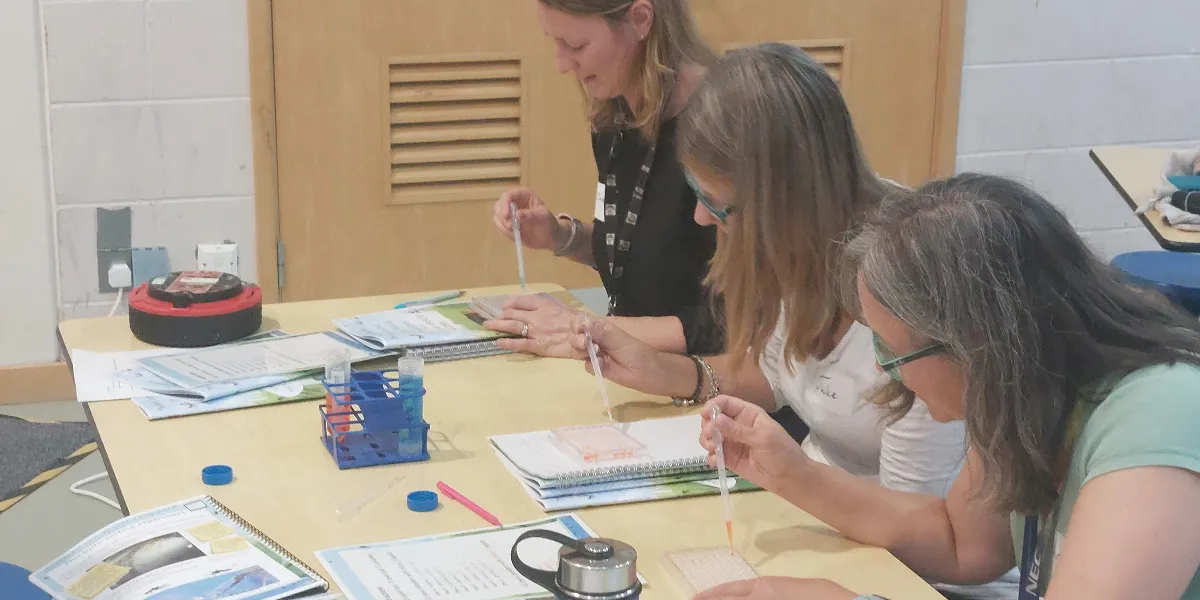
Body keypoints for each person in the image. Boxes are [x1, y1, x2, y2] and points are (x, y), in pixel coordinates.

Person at [696, 173, 1200, 600]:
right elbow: (962, 541)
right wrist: (794, 474)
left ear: (976, 343)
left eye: (891, 351)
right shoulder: (1028, 388)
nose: (885, 371)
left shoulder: (1160, 417)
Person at [487, 0, 724, 357]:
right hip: (631, 365)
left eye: (576, 45)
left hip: (701, 375)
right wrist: (561, 236)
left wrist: (581, 328)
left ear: (640, 19)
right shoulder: (615, 119)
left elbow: (728, 325)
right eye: (556, 43)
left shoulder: (722, 129)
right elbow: (645, 252)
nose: (562, 64)